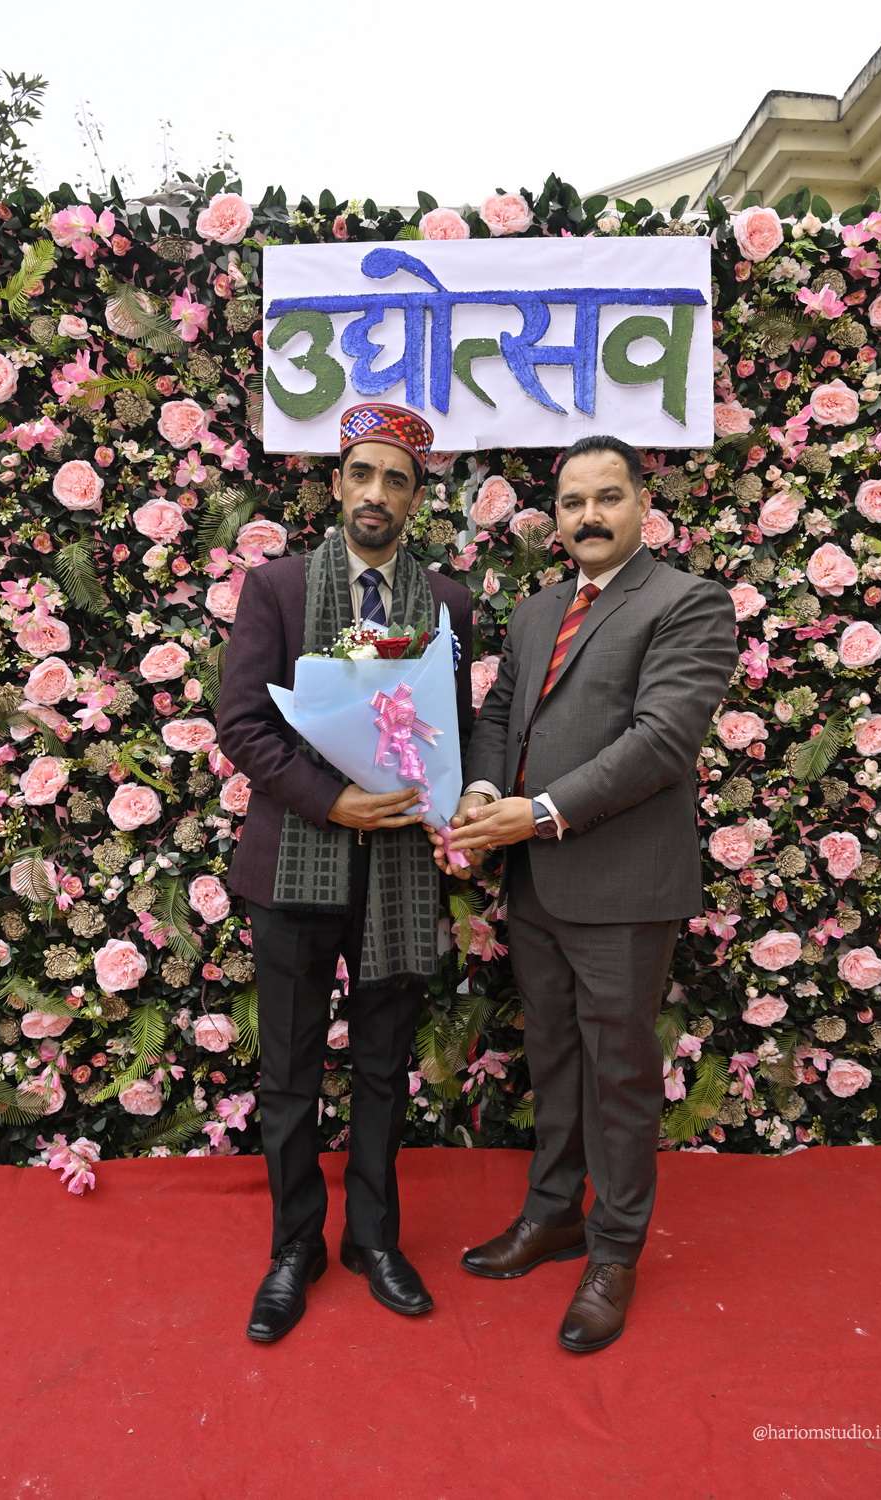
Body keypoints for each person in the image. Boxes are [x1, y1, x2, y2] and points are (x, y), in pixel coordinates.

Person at [440, 434, 738, 1353]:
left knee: (619, 1074)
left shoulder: (687, 602)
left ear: (644, 504)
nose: (590, 516)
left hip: (622, 886)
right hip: (537, 884)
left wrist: (538, 813)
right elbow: (502, 716)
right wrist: (482, 793)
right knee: (556, 1059)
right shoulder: (538, 611)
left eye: (608, 497)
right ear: (556, 517)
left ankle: (615, 1251)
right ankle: (553, 1214)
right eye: (573, 502)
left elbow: (661, 741)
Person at [217, 402, 473, 1343]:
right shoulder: (278, 588)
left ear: (414, 500)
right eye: (361, 473)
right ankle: (296, 1248)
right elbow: (243, 726)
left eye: (396, 480)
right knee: (289, 1071)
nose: (376, 492)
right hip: (294, 867)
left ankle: (374, 1239)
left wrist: (450, 800)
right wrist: (333, 802)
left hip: (398, 869)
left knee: (382, 1067)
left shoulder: (446, 604)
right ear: (336, 484)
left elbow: (453, 728)